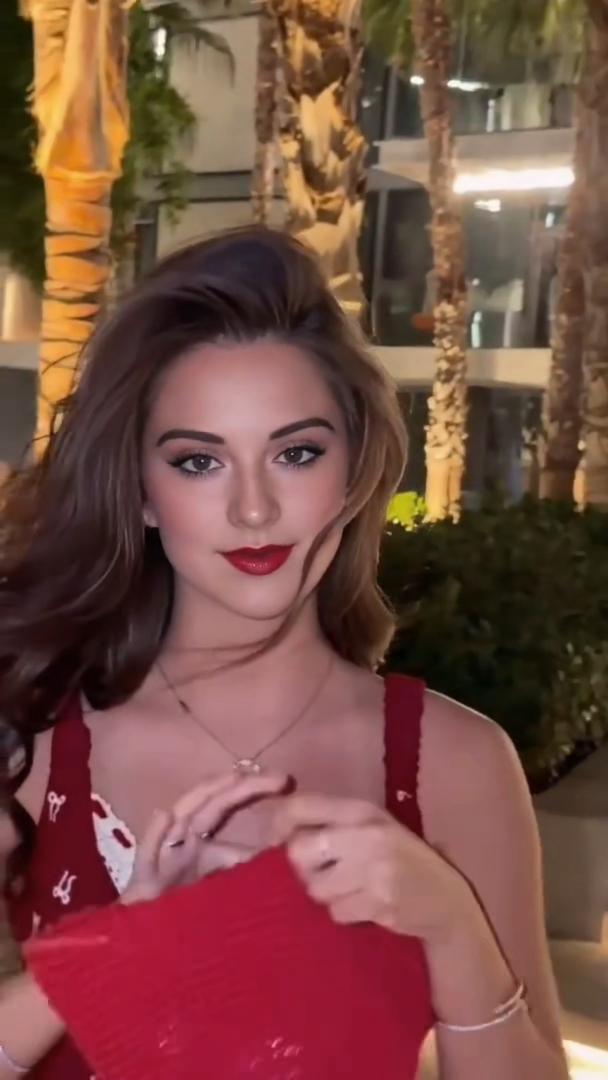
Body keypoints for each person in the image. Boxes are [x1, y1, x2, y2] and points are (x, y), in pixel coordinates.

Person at [0, 227, 567, 1079]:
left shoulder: (456, 763)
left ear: (355, 470)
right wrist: (113, 948)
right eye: (199, 462)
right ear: (141, 492)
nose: (255, 509)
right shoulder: (35, 735)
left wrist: (455, 928)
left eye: (297, 453)